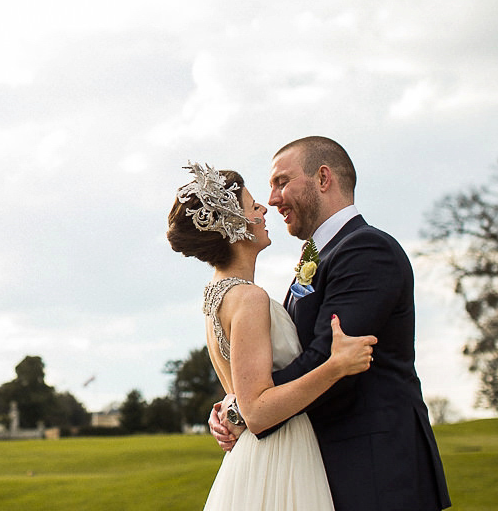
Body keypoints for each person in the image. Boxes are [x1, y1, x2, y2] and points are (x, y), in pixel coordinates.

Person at [209, 137, 451, 510]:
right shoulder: (320, 256)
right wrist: (236, 403)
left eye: (281, 182)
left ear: (323, 178)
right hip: (327, 465)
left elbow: (328, 356)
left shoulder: (367, 249)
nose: (272, 199)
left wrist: (247, 409)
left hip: (375, 469)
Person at [168, 161, 378, 511]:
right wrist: (337, 365)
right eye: (253, 207)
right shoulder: (249, 298)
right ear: (235, 227)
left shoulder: (216, 294)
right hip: (279, 454)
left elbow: (242, 391)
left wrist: (229, 408)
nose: (265, 208)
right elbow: (259, 412)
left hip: (256, 456)